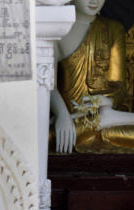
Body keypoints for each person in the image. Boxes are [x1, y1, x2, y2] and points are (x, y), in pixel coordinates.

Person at [51, 0, 134, 154]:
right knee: (49, 138)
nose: (94, 1)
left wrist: (107, 100)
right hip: (72, 120)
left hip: (105, 119)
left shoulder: (114, 29)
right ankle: (107, 118)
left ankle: (106, 117)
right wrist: (62, 114)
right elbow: (48, 83)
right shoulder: (58, 30)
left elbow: (118, 84)